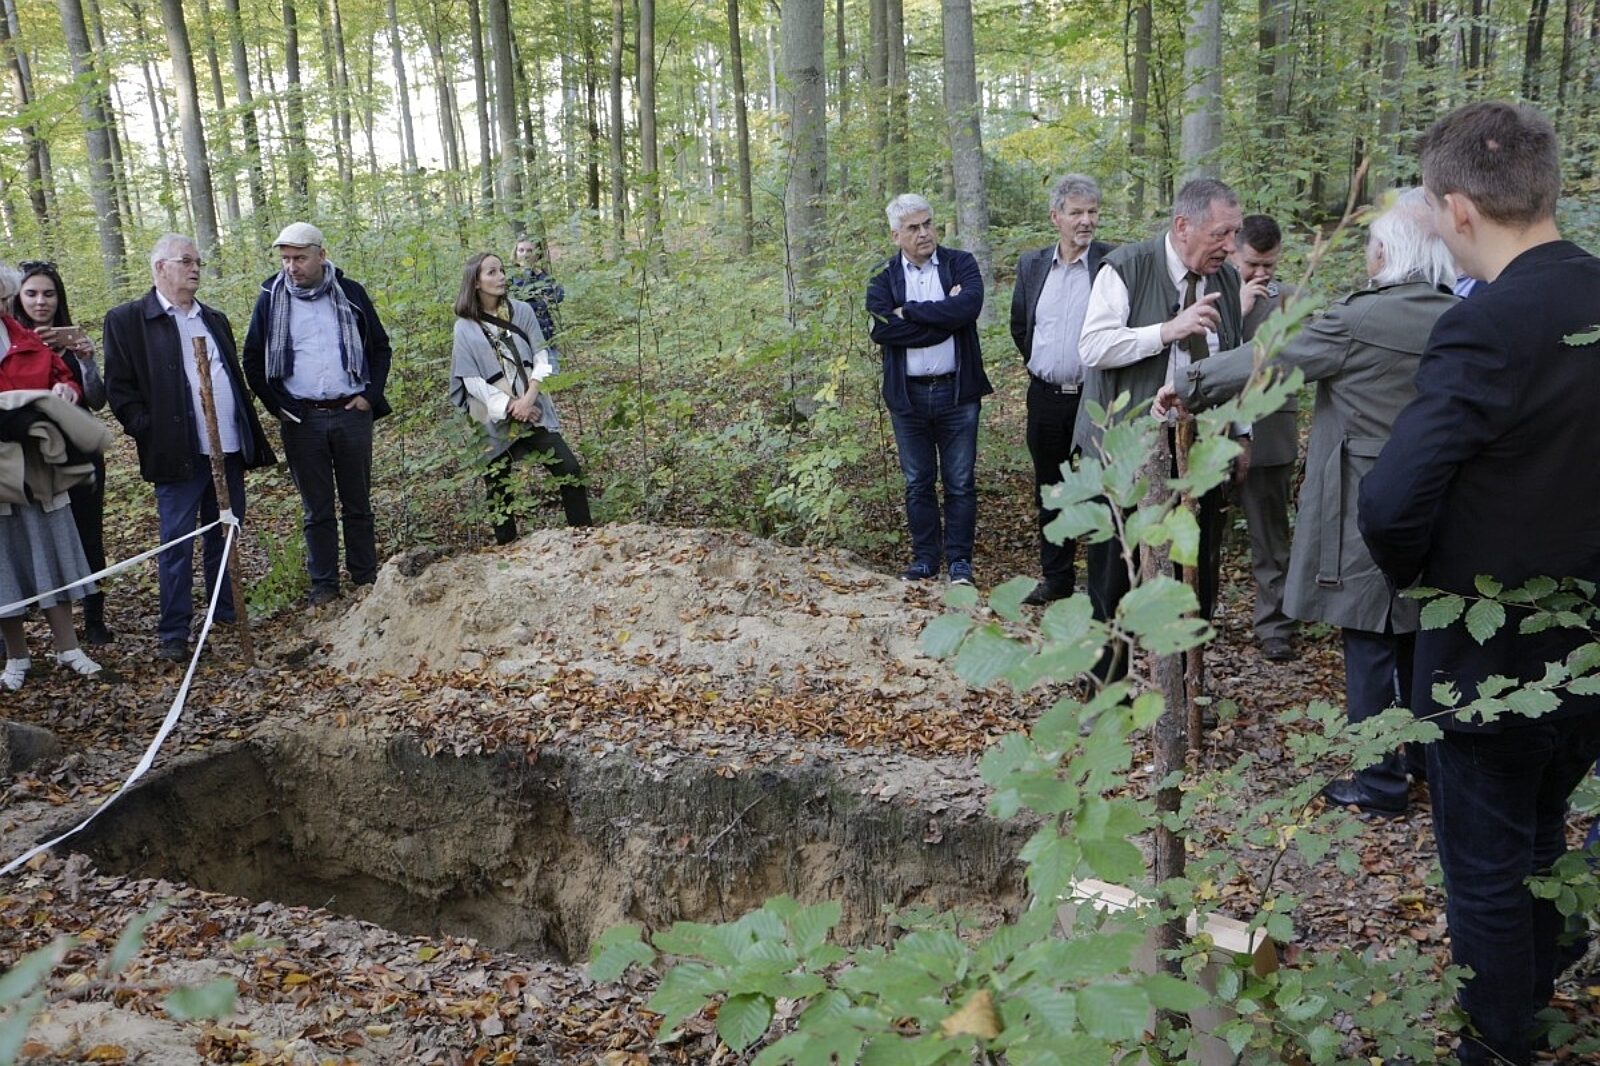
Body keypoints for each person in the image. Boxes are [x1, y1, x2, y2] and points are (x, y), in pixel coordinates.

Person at [1358, 102, 1600, 1065]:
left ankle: (1498, 1048)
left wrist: (1424, 582)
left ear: (1457, 209)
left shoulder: (1485, 325)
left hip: (1487, 661)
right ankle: (1533, 1004)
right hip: (1588, 654)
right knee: (1540, 838)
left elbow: (1393, 499)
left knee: (1491, 872)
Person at [1155, 189, 1458, 816]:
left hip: (1368, 504)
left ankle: (1379, 782)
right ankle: (1424, 762)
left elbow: (1270, 358)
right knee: (1418, 635)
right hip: (1444, 502)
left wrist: (1190, 382)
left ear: (1386, 253)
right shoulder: (1459, 315)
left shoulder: (1362, 319)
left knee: (1369, 639)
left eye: (1372, 244)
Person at [1077, 178, 1248, 661]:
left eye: (1234, 233)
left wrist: (1241, 433)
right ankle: (1107, 687)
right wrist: (1166, 331)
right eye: (1221, 233)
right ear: (1183, 226)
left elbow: (1234, 360)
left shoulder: (1227, 281)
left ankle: (1185, 686)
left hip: (1197, 453)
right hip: (1124, 452)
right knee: (1115, 578)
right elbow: (1092, 346)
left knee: (1195, 576)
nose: (1230, 246)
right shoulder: (1126, 268)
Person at [104, 235, 276, 663]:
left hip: (227, 448)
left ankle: (226, 612)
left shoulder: (213, 318)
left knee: (225, 533)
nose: (195, 268)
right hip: (176, 454)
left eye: (197, 261)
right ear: (160, 267)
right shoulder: (128, 320)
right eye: (185, 261)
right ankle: (175, 631)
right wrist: (149, 431)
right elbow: (120, 389)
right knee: (177, 543)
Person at [243, 223, 392, 606]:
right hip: (302, 419)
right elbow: (252, 359)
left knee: (358, 502)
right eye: (285, 259)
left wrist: (370, 397)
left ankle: (365, 577)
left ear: (321, 255)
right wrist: (280, 407)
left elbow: (380, 347)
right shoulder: (271, 298)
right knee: (316, 508)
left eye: (300, 258)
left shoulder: (350, 293)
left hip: (351, 413)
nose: (291, 266)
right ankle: (324, 585)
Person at [866, 194, 991, 585]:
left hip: (958, 393)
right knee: (918, 481)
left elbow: (968, 308)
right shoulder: (882, 276)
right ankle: (925, 559)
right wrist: (943, 320)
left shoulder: (960, 264)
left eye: (928, 223)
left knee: (960, 481)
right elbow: (882, 330)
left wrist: (909, 312)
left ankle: (959, 562)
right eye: (913, 228)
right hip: (909, 396)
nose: (924, 233)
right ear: (896, 235)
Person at [0, 261, 107, 689]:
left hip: (40, 462)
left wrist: (67, 388)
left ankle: (69, 647)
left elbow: (66, 381)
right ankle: (17, 657)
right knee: (4, 560)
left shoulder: (27, 339)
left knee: (52, 549)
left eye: (2, 296)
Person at [1009, 174, 1112, 606]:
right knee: (1050, 489)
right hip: (1046, 397)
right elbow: (1021, 325)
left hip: (1097, 398)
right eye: (1076, 212)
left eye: (1092, 212)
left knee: (1101, 489)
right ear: (1056, 217)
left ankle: (1106, 587)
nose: (1086, 220)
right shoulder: (1032, 265)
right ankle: (1057, 578)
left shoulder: (1113, 263)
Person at [450, 252, 591, 541]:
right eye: (491, 272)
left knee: (570, 471)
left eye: (501, 270)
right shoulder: (464, 327)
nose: (501, 276)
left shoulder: (522, 311)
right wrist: (510, 405)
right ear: (475, 281)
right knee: (498, 486)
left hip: (533, 407)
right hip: (491, 415)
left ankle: (583, 537)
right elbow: (470, 379)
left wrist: (528, 400)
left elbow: (542, 355)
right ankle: (507, 548)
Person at [1229, 216, 1300, 662]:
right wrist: (1234, 311)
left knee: (1271, 537)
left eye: (1269, 265)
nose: (1261, 274)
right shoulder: (1208, 293)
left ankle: (1275, 626)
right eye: (1252, 264)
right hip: (1210, 433)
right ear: (1233, 252)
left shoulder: (1292, 300)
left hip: (1270, 432)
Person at [507, 235, 565, 355]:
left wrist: (539, 274)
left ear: (537, 254)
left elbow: (558, 295)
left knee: (551, 363)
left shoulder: (541, 275)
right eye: (521, 250)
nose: (525, 255)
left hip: (545, 333)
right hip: (521, 334)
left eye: (530, 251)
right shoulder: (509, 277)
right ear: (515, 253)